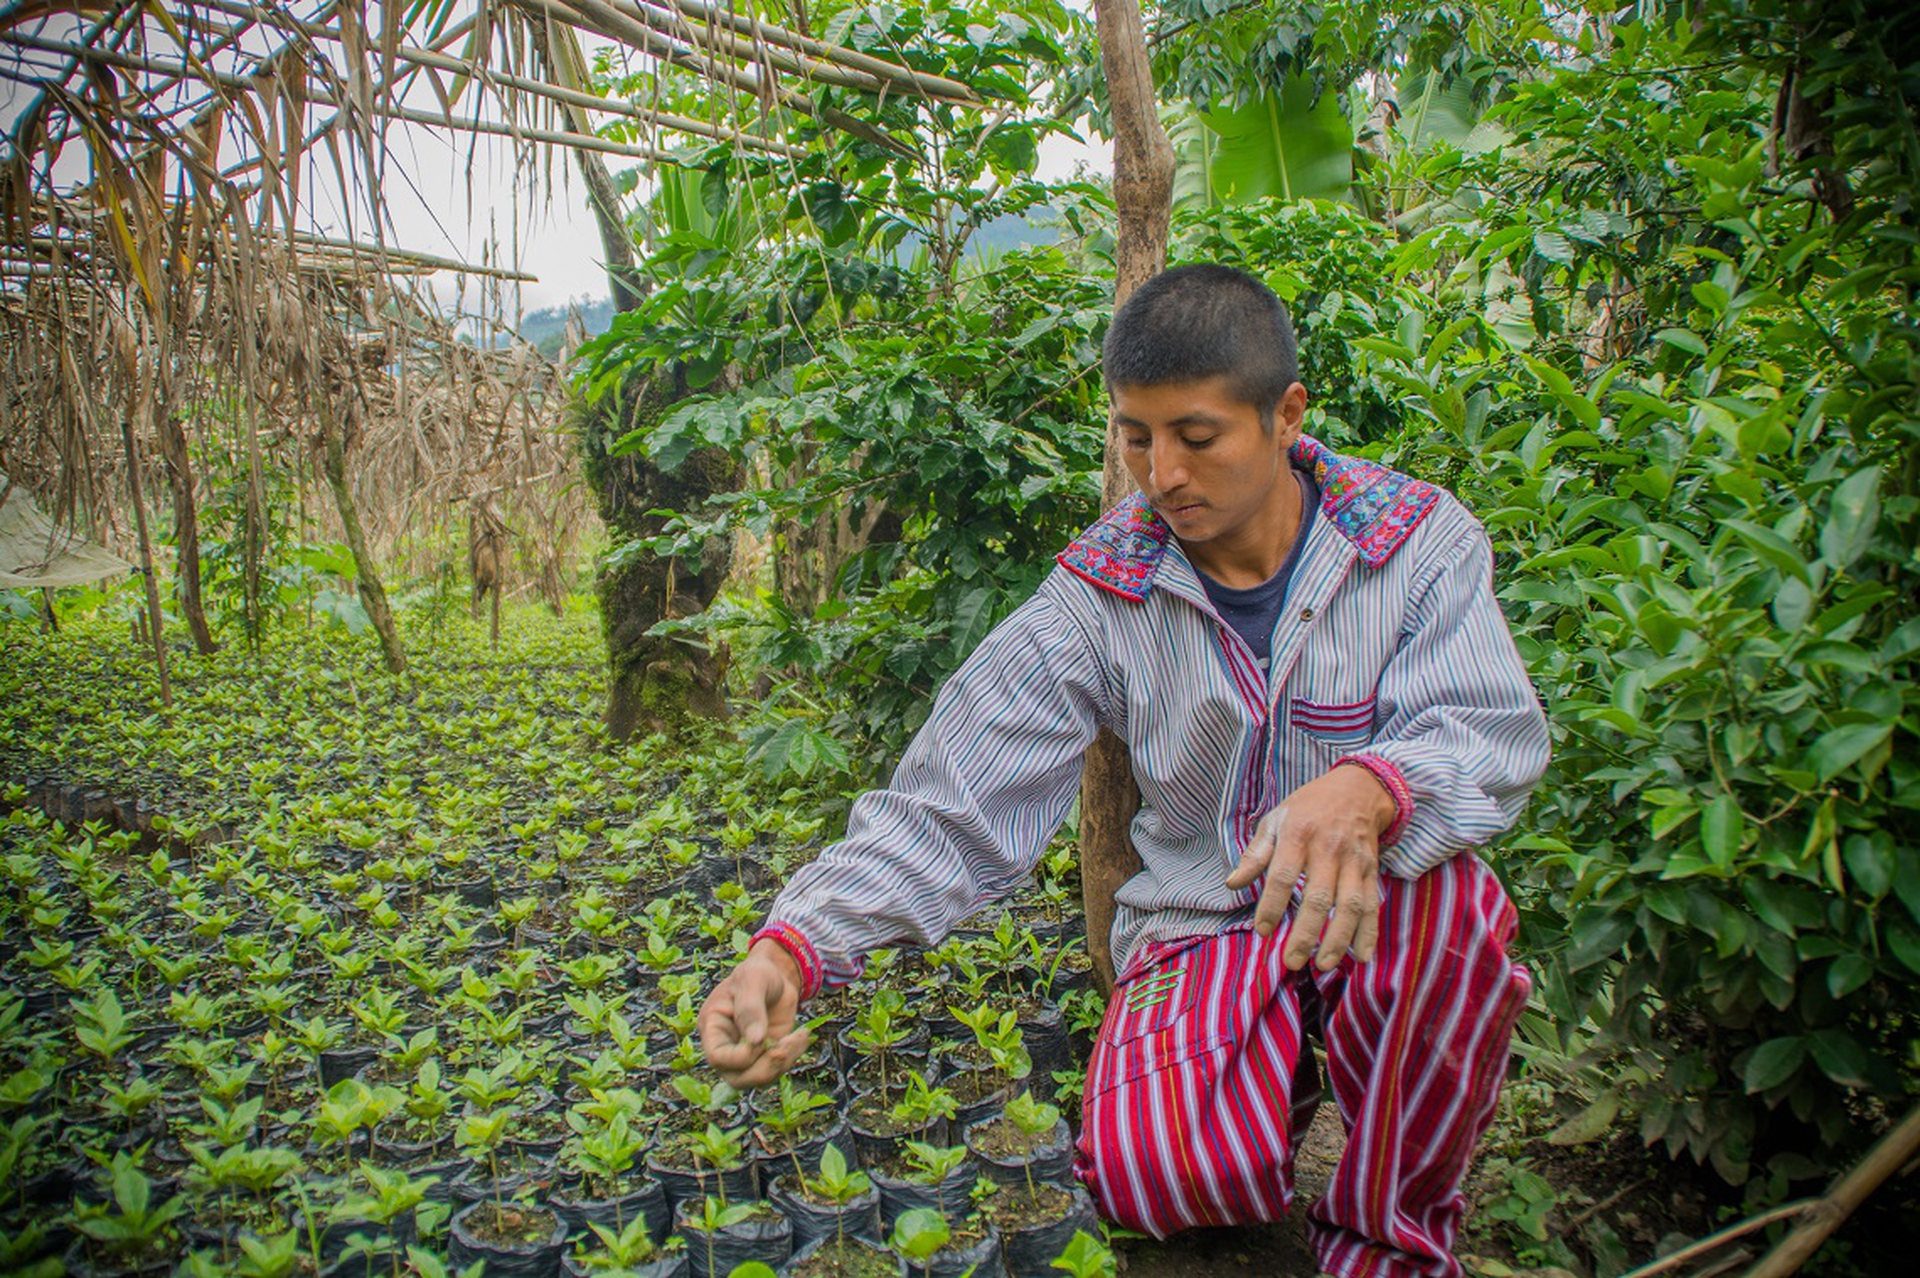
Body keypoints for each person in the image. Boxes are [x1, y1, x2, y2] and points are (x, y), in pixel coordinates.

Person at [698, 264, 1550, 1278]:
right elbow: (952, 800)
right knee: (1150, 1177)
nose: (1163, 474)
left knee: (1457, 915)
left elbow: (1487, 728)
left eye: (1196, 438)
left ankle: (1387, 1238)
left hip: (1377, 908)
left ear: (1285, 416)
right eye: (1134, 437)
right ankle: (1276, 1083)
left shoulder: (1412, 543)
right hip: (1203, 920)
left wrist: (1372, 787)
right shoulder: (1103, 593)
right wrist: (790, 951)